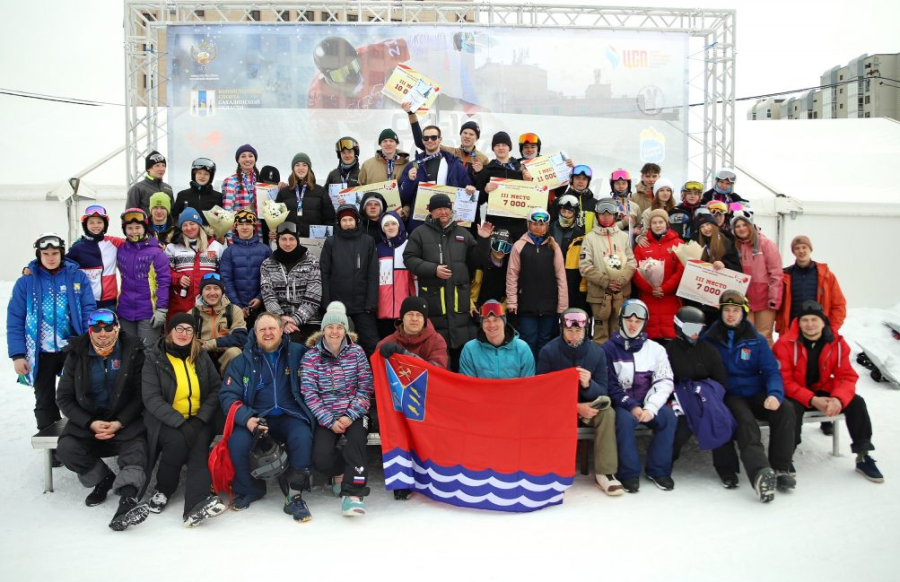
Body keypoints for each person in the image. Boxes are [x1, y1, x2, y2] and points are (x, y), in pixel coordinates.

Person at [55, 309, 149, 531]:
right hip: (88, 422)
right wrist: (89, 422)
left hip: (123, 420)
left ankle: (127, 500)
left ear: (116, 327)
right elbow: (64, 398)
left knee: (137, 449)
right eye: (96, 328)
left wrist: (120, 422)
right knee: (67, 448)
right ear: (90, 330)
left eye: (108, 328)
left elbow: (140, 394)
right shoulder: (76, 354)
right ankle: (102, 479)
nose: (102, 333)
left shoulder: (133, 350)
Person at [219, 312, 316, 520]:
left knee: (302, 436)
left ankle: (294, 494)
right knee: (237, 442)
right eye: (262, 329)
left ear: (282, 330)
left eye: (272, 328)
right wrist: (247, 418)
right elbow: (227, 394)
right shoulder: (241, 361)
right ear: (255, 333)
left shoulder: (298, 352)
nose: (268, 333)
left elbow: (325, 361)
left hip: (290, 414)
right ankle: (250, 488)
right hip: (257, 416)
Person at [774, 300, 883, 483]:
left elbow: (846, 376)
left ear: (823, 321)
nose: (809, 324)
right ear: (798, 322)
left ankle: (863, 455)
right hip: (795, 393)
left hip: (822, 389)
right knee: (789, 409)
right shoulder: (785, 343)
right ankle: (786, 455)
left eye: (814, 320)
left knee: (856, 402)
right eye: (805, 320)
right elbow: (783, 380)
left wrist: (838, 399)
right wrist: (811, 399)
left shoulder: (837, 343)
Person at [702, 290, 795, 502]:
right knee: (746, 424)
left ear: (744, 313)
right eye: (727, 310)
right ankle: (761, 473)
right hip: (731, 394)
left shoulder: (756, 339)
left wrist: (774, 394)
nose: (731, 315)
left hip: (756, 390)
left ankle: (781, 468)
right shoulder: (710, 338)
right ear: (721, 312)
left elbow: (771, 370)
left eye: (736, 310)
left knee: (785, 409)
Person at [142, 313, 226, 526]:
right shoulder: (155, 357)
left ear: (194, 334)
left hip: (199, 418)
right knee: (177, 442)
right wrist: (179, 422)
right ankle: (163, 489)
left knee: (198, 446)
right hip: (167, 419)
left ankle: (195, 504)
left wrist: (199, 420)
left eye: (188, 330)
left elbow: (216, 388)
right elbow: (151, 398)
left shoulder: (200, 355)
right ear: (169, 331)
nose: (183, 333)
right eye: (178, 329)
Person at [8, 233, 96, 432]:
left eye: (55, 253)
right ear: (38, 254)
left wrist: (87, 343)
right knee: (44, 400)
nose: (50, 257)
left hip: (71, 348)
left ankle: (78, 440)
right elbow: (15, 319)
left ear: (62, 253)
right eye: (45, 253)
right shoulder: (26, 282)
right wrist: (18, 355)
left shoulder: (77, 277)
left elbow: (88, 310)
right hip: (40, 352)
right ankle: (52, 449)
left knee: (78, 396)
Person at [537, 308, 623, 496]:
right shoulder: (549, 351)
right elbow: (541, 393)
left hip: (588, 409)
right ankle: (548, 467)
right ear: (562, 330)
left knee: (607, 411)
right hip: (557, 411)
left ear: (586, 330)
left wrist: (588, 384)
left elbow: (603, 390)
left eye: (578, 331)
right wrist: (574, 408)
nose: (574, 335)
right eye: (570, 331)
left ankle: (605, 472)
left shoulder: (597, 353)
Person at [301, 302, 374, 517]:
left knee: (357, 443)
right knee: (321, 457)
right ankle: (340, 470)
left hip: (355, 413)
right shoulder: (311, 357)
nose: (335, 331)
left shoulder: (357, 353)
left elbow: (365, 387)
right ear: (323, 329)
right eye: (330, 327)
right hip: (327, 417)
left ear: (345, 330)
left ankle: (353, 493)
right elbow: (309, 393)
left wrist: (350, 416)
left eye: (339, 327)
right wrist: (330, 420)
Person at [603, 300, 677, 493]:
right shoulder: (608, 349)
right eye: (629, 319)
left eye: (638, 320)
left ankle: (658, 469)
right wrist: (632, 406)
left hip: (648, 404)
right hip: (624, 404)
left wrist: (650, 407)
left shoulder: (656, 349)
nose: (633, 324)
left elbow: (665, 381)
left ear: (645, 322)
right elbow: (611, 385)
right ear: (621, 320)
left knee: (668, 417)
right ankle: (628, 473)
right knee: (624, 421)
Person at [404, 193, 478, 371]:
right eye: (439, 209)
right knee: (438, 359)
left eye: (446, 208)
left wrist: (482, 240)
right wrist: (433, 269)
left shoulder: (463, 233)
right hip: (434, 305)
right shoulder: (419, 233)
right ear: (431, 211)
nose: (443, 212)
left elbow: (477, 262)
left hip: (459, 304)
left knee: (462, 361)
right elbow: (409, 258)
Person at [666, 306, 738, 488]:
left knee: (719, 419)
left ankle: (726, 470)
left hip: (707, 396)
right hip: (680, 398)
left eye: (699, 329)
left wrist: (705, 391)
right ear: (680, 328)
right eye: (691, 329)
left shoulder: (708, 350)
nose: (695, 333)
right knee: (679, 427)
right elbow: (663, 380)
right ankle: (663, 465)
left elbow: (721, 381)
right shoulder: (668, 351)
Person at [399, 106, 474, 231]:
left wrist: (469, 190)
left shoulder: (455, 165)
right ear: (422, 141)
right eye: (426, 138)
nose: (430, 140)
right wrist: (409, 181)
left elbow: (468, 191)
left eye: (434, 137)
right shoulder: (414, 165)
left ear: (440, 139)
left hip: (447, 224)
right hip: (421, 223)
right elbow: (404, 197)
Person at [507, 208, 568, 359]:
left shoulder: (553, 246)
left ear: (547, 226)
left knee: (545, 340)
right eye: (534, 224)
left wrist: (562, 306)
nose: (538, 227)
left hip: (549, 304)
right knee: (528, 340)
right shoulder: (519, 246)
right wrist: (512, 301)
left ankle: (542, 374)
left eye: (542, 224)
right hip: (527, 304)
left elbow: (561, 276)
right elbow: (512, 275)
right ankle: (528, 374)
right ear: (528, 224)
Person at [320, 205, 379, 354]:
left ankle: (372, 375)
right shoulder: (331, 242)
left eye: (350, 220)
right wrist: (327, 304)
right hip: (337, 304)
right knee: (335, 343)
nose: (347, 223)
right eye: (344, 220)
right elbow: (324, 273)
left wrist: (371, 302)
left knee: (372, 343)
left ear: (357, 221)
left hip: (362, 304)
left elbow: (373, 273)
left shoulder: (368, 241)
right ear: (339, 223)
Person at [579, 198, 637, 344]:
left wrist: (622, 280)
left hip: (621, 291)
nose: (606, 216)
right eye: (602, 213)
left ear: (615, 215)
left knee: (618, 330)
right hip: (599, 294)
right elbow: (585, 266)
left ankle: (617, 364)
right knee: (601, 332)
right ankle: (601, 364)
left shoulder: (623, 236)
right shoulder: (590, 238)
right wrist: (605, 281)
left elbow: (631, 261)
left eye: (609, 213)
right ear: (597, 215)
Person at [116, 208, 171, 347]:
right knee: (128, 352)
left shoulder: (156, 253)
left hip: (148, 311)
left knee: (147, 352)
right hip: (125, 311)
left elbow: (163, 282)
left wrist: (161, 309)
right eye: (130, 228)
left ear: (145, 228)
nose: (134, 231)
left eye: (138, 227)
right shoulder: (121, 249)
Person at [259, 222, 322, 343]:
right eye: (283, 239)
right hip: (279, 320)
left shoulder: (311, 261)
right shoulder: (267, 264)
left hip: (309, 320)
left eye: (291, 239)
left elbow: (314, 296)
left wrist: (295, 320)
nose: (288, 243)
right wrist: (282, 319)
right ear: (278, 240)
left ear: (297, 239)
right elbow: (268, 297)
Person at [731, 210, 783, 345]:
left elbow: (776, 273)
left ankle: (767, 365)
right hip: (745, 300)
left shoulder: (766, 244)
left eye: (744, 224)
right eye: (737, 226)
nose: (741, 229)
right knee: (746, 337)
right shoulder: (735, 246)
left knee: (764, 336)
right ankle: (749, 365)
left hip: (764, 300)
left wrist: (774, 299)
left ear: (751, 225)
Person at [777, 235, 847, 335]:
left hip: (819, 333)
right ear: (793, 252)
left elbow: (839, 305)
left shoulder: (826, 276)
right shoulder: (785, 277)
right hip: (791, 331)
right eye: (797, 248)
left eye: (804, 247)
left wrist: (831, 328)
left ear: (810, 249)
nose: (801, 251)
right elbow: (778, 306)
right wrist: (781, 326)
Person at [632, 209, 684, 341]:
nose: (657, 225)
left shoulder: (678, 243)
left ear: (667, 223)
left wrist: (665, 288)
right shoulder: (642, 246)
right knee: (650, 336)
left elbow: (681, 269)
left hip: (671, 298)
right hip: (649, 297)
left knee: (671, 337)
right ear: (650, 225)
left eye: (660, 222)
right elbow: (635, 270)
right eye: (654, 222)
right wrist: (651, 289)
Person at [165, 207, 225, 319]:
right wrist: (178, 278)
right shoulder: (173, 247)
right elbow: (165, 272)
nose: (189, 228)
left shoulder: (216, 246)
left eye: (192, 223)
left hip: (209, 303)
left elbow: (223, 273)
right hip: (181, 303)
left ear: (199, 225)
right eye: (185, 225)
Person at [472, 131, 532, 241]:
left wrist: (529, 182)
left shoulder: (522, 168)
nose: (501, 148)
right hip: (496, 223)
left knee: (517, 256)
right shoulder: (487, 170)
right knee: (497, 256)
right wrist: (485, 190)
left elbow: (533, 196)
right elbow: (477, 200)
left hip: (519, 224)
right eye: (497, 145)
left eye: (504, 145)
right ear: (493, 149)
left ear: (509, 147)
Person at [219, 209, 272, 328]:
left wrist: (260, 298)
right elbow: (226, 279)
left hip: (261, 307)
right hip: (236, 307)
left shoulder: (265, 250)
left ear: (254, 227)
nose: (244, 227)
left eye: (248, 224)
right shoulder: (229, 251)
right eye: (241, 224)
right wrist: (237, 304)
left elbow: (271, 278)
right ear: (235, 227)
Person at [66, 205, 124, 310]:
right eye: (91, 222)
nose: (95, 225)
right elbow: (57, 261)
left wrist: (154, 243)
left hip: (109, 304)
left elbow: (135, 242)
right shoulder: (78, 247)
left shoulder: (113, 242)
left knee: (108, 327)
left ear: (105, 224)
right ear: (85, 225)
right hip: (86, 303)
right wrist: (33, 266)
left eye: (99, 222)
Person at [459, 300, 535, 379]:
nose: (492, 325)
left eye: (496, 320)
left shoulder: (522, 349)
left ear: (504, 322)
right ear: (481, 324)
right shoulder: (470, 350)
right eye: (486, 321)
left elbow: (528, 385)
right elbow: (467, 385)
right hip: (481, 391)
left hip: (514, 391)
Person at [191, 273, 248, 375]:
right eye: (207, 288)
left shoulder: (234, 310)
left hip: (224, 360)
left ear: (222, 291)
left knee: (235, 352)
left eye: (216, 288)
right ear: (201, 292)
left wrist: (211, 344)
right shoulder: (192, 314)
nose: (212, 293)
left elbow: (241, 338)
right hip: (202, 359)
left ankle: (229, 386)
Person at [273, 152, 335, 238]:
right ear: (293, 168)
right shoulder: (284, 192)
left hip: (314, 242)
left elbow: (329, 219)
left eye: (304, 165)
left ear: (309, 168)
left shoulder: (320, 191)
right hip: (290, 242)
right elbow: (276, 219)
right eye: (297, 165)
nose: (301, 168)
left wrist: (328, 239)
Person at [408, 110, 488, 177]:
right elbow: (421, 143)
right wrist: (411, 114)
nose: (467, 136)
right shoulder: (450, 152)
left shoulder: (483, 159)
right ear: (460, 134)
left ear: (477, 138)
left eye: (471, 134)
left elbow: (485, 182)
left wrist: (479, 172)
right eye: (465, 133)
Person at [376, 296, 449, 369]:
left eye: (419, 315)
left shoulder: (436, 341)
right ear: (402, 318)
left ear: (424, 320)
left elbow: (437, 371)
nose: (414, 319)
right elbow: (378, 372)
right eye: (410, 314)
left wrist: (404, 354)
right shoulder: (386, 343)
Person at [376, 212, 417, 338]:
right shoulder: (377, 249)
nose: (390, 227)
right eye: (386, 225)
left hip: (405, 309)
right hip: (383, 309)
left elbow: (415, 278)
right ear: (382, 229)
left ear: (399, 225)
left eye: (393, 223)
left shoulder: (410, 245)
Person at [549, 195, 588, 312]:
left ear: (575, 213)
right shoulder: (548, 229)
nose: (566, 214)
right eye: (563, 211)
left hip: (571, 279)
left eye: (569, 212)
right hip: (550, 276)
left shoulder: (580, 234)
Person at [471, 226, 512, 311]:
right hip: (475, 307)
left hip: (497, 310)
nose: (501, 251)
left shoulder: (509, 267)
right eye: (497, 245)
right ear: (491, 244)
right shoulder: (479, 262)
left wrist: (501, 309)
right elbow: (464, 285)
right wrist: (470, 305)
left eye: (505, 248)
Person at [173, 157, 223, 223]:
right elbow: (175, 218)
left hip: (210, 232)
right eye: (199, 173)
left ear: (210, 177)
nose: (202, 176)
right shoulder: (182, 195)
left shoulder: (218, 197)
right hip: (188, 231)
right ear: (194, 174)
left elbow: (221, 220)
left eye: (206, 174)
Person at [221, 144, 260, 214]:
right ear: (238, 160)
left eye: (250, 156)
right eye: (243, 156)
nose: (247, 159)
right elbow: (227, 212)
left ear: (255, 159)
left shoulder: (260, 181)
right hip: (240, 224)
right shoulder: (230, 181)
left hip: (258, 224)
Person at [608, 169, 641, 240]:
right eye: (617, 183)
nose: (621, 186)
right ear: (612, 185)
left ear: (628, 185)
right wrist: (623, 223)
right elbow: (603, 229)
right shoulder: (607, 205)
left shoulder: (635, 206)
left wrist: (638, 229)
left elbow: (639, 226)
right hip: (611, 243)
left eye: (624, 183)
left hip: (629, 245)